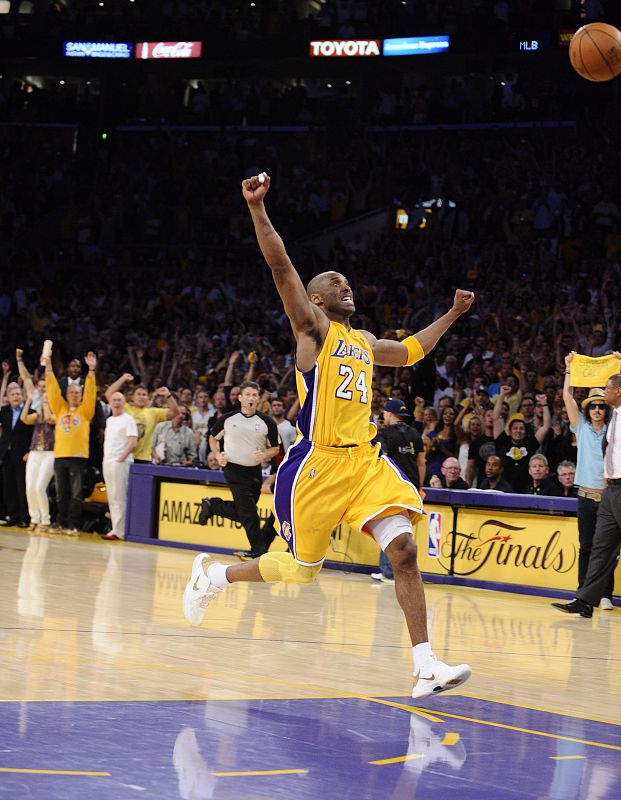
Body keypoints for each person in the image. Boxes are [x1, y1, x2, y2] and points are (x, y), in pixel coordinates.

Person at [184, 172, 473, 699]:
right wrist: (257, 208)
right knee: (298, 573)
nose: (348, 287)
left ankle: (426, 664)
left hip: (363, 461)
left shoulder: (362, 339)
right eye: (337, 282)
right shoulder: (311, 331)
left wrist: (452, 314)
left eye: (348, 283)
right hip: (315, 466)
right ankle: (215, 578)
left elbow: (411, 351)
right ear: (316, 299)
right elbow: (280, 265)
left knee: (404, 551)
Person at [553, 373, 621, 622]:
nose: (603, 393)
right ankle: (584, 601)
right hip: (611, 491)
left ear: (619, 392)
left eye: (607, 389)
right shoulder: (613, 417)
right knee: (600, 549)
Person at [560, 352, 621, 609]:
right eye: (593, 406)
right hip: (586, 497)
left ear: (607, 409)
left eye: (601, 406)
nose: (597, 409)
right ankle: (583, 593)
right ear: (587, 408)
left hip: (609, 497)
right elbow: (567, 397)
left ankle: (605, 593)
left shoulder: (615, 426)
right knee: (586, 547)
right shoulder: (581, 427)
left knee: (607, 549)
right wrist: (567, 370)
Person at [197, 381, 280, 559]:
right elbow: (213, 438)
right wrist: (217, 454)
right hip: (233, 469)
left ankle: (213, 505)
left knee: (245, 511)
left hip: (254, 472)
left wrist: (265, 454)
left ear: (258, 399)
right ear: (240, 398)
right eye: (247, 394)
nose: (251, 398)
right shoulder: (228, 419)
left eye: (254, 395)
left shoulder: (267, 422)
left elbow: (276, 448)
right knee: (249, 514)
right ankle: (259, 552)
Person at [371, 398, 425, 584]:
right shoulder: (415, 434)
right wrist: (419, 486)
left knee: (391, 528)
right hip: (411, 487)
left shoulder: (385, 435)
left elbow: (383, 459)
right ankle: (398, 571)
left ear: (389, 413)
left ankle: (388, 571)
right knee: (403, 530)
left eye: (384, 413)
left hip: (393, 486)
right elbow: (421, 463)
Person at [44, 345, 97, 534]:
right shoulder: (60, 408)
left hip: (78, 456)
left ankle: (74, 525)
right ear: (67, 395)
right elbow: (51, 389)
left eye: (77, 393)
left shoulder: (86, 410)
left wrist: (91, 370)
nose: (75, 395)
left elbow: (91, 392)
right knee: (60, 494)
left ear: (81, 395)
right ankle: (61, 522)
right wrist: (48, 366)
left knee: (76, 494)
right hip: (60, 455)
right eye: (72, 392)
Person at [104, 374, 179, 464]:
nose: (141, 397)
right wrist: (122, 379)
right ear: (132, 397)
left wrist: (168, 395)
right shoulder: (125, 408)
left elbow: (175, 412)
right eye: (138, 394)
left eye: (144, 395)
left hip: (144, 458)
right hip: (126, 456)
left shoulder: (153, 412)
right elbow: (109, 394)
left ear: (148, 398)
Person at [492, 387, 551, 493]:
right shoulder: (502, 441)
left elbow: (546, 426)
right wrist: (501, 395)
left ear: (525, 431)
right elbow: (496, 418)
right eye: (515, 428)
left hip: (525, 490)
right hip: (503, 489)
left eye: (521, 429)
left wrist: (544, 404)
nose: (518, 431)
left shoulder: (530, 444)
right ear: (510, 431)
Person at [101, 391, 138, 540]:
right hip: (107, 461)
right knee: (112, 496)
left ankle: (120, 530)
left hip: (120, 462)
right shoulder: (109, 420)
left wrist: (120, 458)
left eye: (119, 400)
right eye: (114, 400)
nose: (116, 402)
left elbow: (132, 441)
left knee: (119, 496)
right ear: (110, 403)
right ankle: (115, 528)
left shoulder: (128, 419)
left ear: (124, 403)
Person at [20, 378, 56, 531]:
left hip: (49, 453)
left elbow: (49, 418)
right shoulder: (36, 416)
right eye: (40, 388)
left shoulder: (55, 413)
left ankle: (45, 520)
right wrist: (28, 400)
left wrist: (46, 401)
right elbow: (23, 418)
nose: (42, 391)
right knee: (30, 487)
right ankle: (34, 518)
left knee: (40, 487)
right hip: (35, 452)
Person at [0, 381, 32, 527]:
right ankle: (12, 517)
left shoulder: (30, 412)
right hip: (6, 454)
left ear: (23, 396)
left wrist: (29, 452)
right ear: (8, 396)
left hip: (22, 454)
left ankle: (24, 518)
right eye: (12, 394)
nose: (16, 396)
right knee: (9, 487)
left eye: (18, 394)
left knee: (22, 487)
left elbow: (33, 435)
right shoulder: (4, 411)